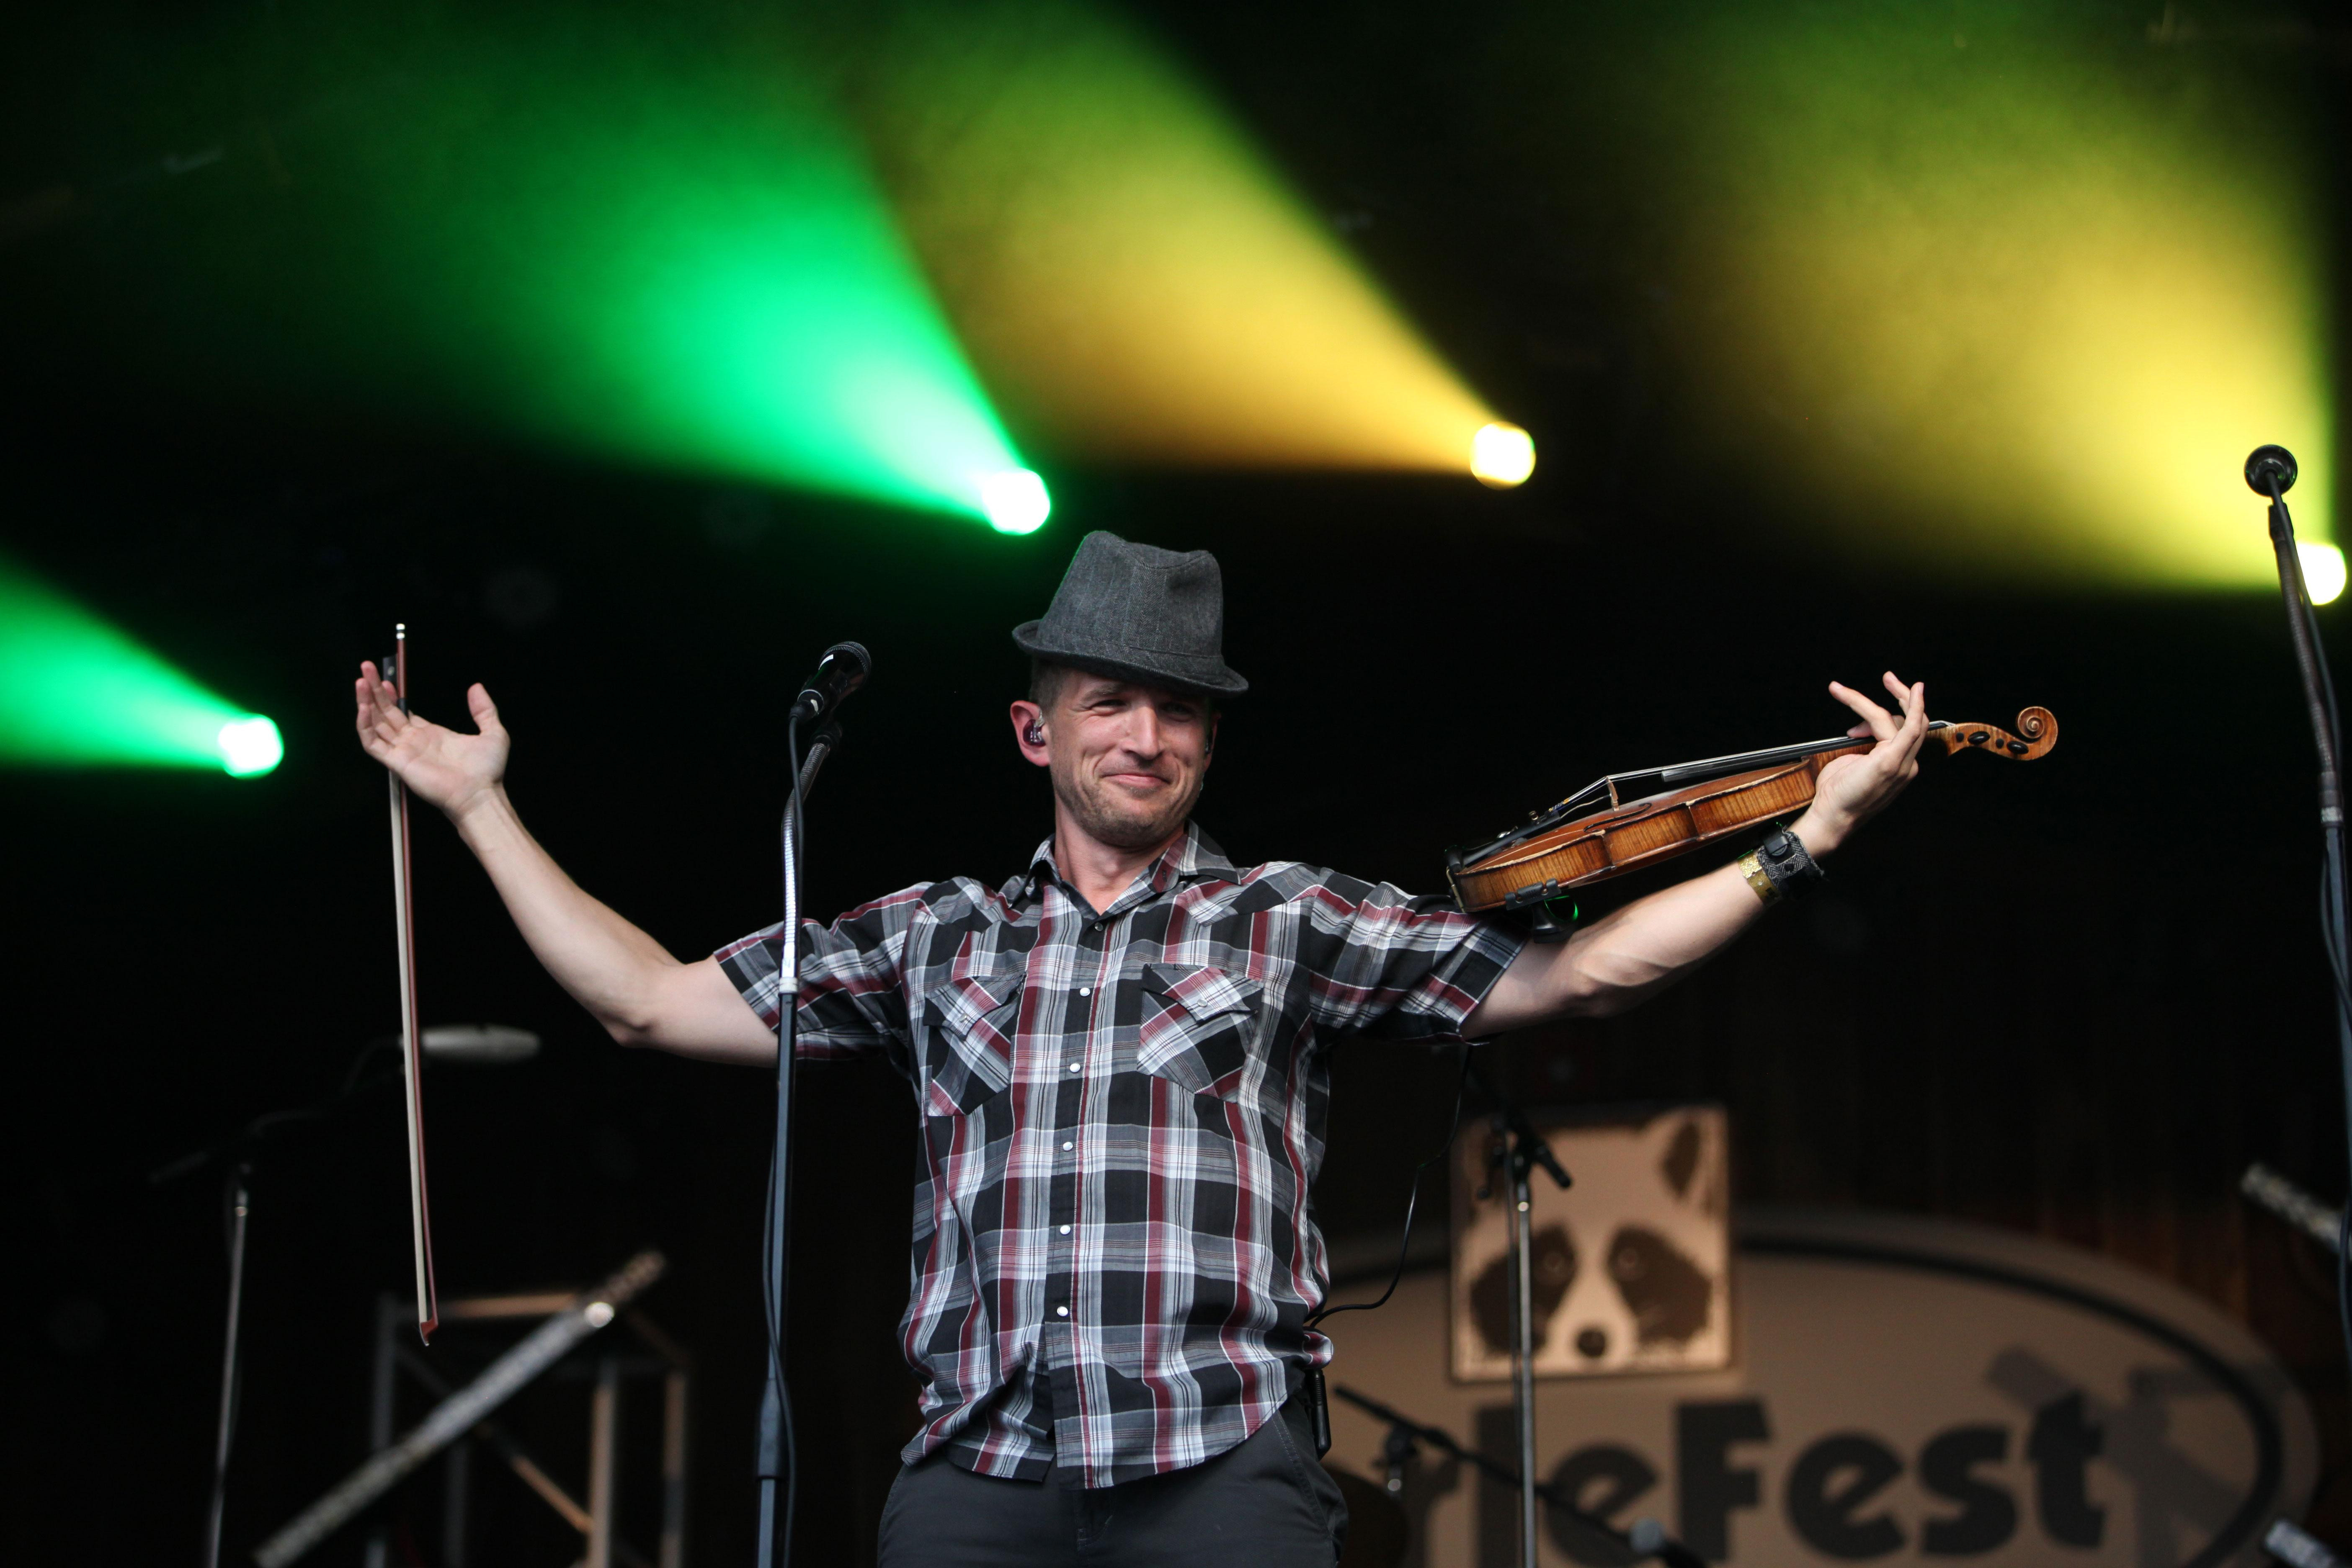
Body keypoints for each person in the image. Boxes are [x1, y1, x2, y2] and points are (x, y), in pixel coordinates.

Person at [353, 531, 1929, 1567]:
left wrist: (1804, 841)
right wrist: (482, 807)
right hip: (975, 1481)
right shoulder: (937, 934)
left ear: (1209, 740)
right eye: (1111, 702)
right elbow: (648, 1000)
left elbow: (1578, 977)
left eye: (1179, 711)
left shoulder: (1287, 916)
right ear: (1040, 730)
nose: (1147, 737)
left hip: (1218, 1473)